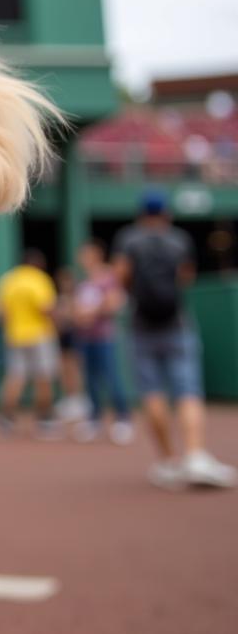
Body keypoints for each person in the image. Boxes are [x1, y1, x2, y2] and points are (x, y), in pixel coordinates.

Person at [113, 192, 236, 489]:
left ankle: (168, 462)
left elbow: (121, 277)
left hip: (142, 324)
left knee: (153, 393)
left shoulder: (129, 239)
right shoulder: (179, 239)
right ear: (166, 213)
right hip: (176, 323)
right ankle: (194, 455)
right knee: (188, 392)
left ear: (141, 214)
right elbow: (185, 278)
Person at [0, 249, 61, 437]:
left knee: (15, 377)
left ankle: (5, 421)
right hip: (40, 335)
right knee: (43, 378)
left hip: (15, 336)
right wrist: (59, 323)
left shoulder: (9, 280)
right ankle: (45, 420)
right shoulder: (39, 279)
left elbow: (0, 312)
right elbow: (45, 308)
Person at [72, 239, 133, 444]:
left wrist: (92, 313)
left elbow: (114, 303)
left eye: (86, 254)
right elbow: (77, 309)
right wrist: (79, 315)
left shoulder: (108, 278)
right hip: (85, 338)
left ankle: (123, 419)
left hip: (104, 337)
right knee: (90, 381)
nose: (82, 259)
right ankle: (94, 420)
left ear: (96, 255)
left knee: (111, 377)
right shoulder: (84, 282)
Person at [52, 266, 88, 422]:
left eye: (67, 281)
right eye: (62, 281)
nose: (65, 284)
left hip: (75, 337)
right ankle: (69, 399)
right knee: (64, 369)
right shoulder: (59, 299)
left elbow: (78, 318)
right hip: (62, 339)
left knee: (75, 369)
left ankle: (79, 401)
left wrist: (68, 315)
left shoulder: (77, 299)